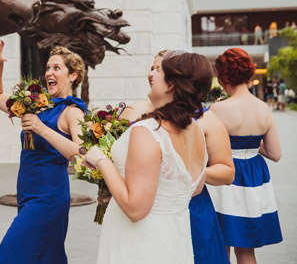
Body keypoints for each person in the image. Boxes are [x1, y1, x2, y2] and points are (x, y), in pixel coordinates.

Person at [82, 51, 211, 264]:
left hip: (140, 243)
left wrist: (101, 161)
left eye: (158, 70)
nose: (151, 75)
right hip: (174, 240)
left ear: (171, 84)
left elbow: (135, 209)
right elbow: (193, 188)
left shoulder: (148, 131)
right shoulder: (195, 130)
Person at [120, 51, 235, 264]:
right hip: (135, 211)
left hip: (188, 209)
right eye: (151, 68)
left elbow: (227, 171)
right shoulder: (133, 110)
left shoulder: (205, 118)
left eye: (159, 69)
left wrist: (176, 173)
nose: (151, 74)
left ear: (176, 80)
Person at [0, 36, 87, 264]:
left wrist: (41, 129)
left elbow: (84, 156)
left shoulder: (72, 112)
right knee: (45, 258)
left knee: (7, 258)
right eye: (48, 67)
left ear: (73, 75)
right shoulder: (36, 104)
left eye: (57, 68)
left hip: (48, 197)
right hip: (27, 193)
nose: (49, 72)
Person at [208, 48, 283, 264]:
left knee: (222, 246)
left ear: (223, 77)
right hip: (254, 178)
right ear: (248, 74)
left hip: (225, 176)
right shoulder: (264, 109)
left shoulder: (218, 110)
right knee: (247, 250)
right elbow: (275, 154)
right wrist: (252, 145)